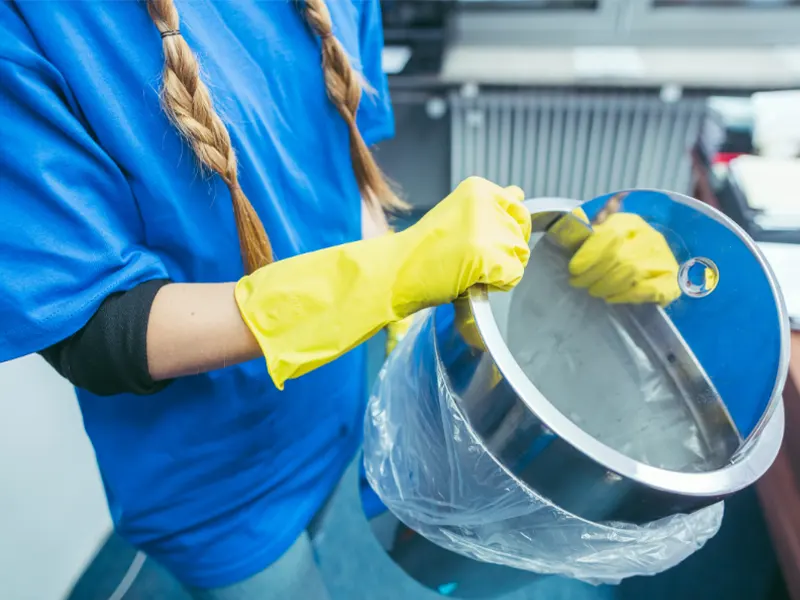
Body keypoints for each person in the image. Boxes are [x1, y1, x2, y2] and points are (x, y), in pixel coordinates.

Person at [0, 1, 679, 598]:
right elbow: (97, 334)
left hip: (333, 399)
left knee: (336, 532)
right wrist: (385, 277)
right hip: (213, 478)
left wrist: (433, 297)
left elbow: (340, 173)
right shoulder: (29, 24)